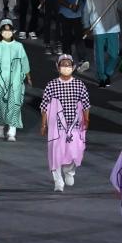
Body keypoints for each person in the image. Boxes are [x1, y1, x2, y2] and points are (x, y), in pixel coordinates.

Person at [40, 54, 91, 192]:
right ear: (57, 67)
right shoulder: (52, 85)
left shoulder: (79, 84)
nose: (66, 67)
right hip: (56, 127)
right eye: (63, 64)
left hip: (75, 126)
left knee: (75, 151)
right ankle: (58, 181)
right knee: (55, 152)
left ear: (73, 67)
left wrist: (86, 119)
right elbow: (44, 106)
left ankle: (69, 171)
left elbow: (86, 104)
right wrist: (43, 124)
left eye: (69, 65)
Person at [0, 19, 32, 141]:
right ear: (0, 32)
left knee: (14, 104)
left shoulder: (19, 46)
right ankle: (0, 129)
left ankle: (12, 131)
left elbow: (24, 62)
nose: (7, 33)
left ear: (13, 32)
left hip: (15, 81)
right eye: (4, 30)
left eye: (9, 30)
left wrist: (28, 76)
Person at [83, 0, 122, 85]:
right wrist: (86, 26)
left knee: (114, 55)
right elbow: (86, 12)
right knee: (100, 55)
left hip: (113, 28)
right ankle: (102, 77)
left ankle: (107, 72)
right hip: (98, 29)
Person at [57, 0, 90, 71]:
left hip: (77, 15)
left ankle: (82, 60)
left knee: (79, 38)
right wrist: (70, 6)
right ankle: (67, 61)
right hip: (65, 14)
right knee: (66, 38)